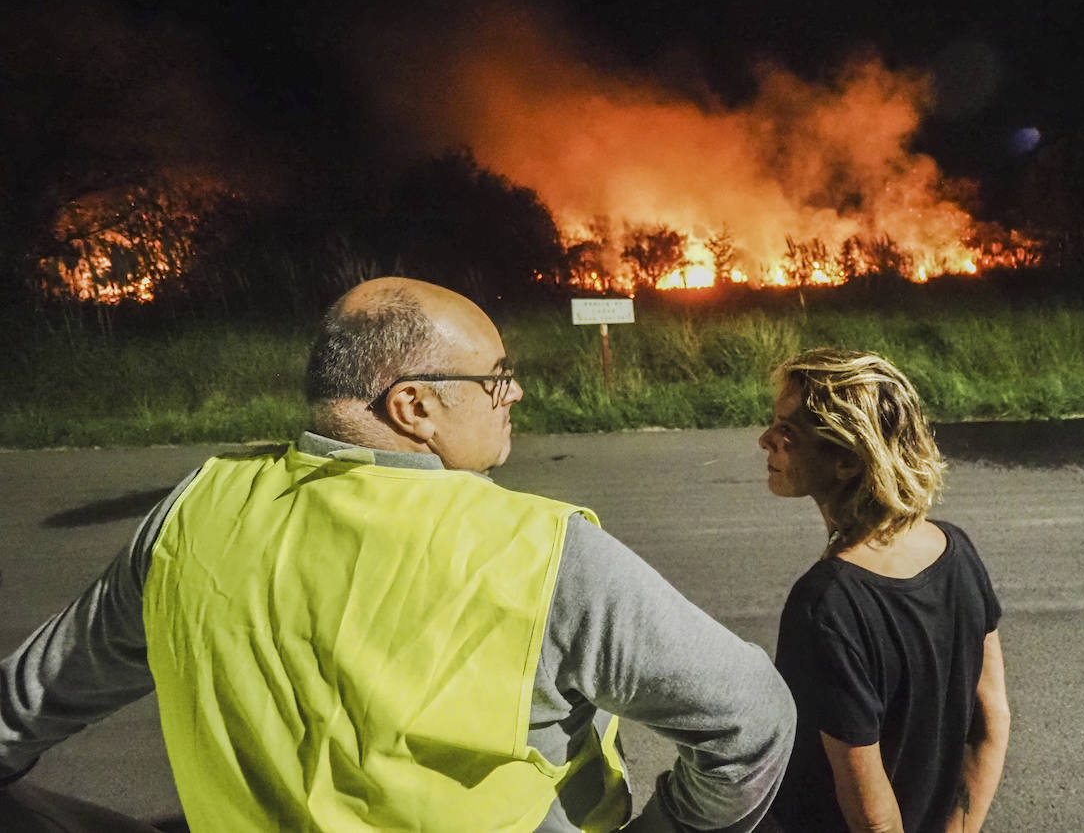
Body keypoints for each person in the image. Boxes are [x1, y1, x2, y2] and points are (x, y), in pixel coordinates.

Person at [0, 277, 795, 832]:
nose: (514, 393)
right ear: (412, 405)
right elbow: (751, 716)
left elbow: (26, 705)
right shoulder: (542, 553)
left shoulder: (192, 514)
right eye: (496, 378)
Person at [757, 348, 1008, 833]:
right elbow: (989, 723)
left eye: (787, 431)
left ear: (848, 460)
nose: (765, 439)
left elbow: (874, 822)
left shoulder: (827, 604)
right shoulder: (956, 550)